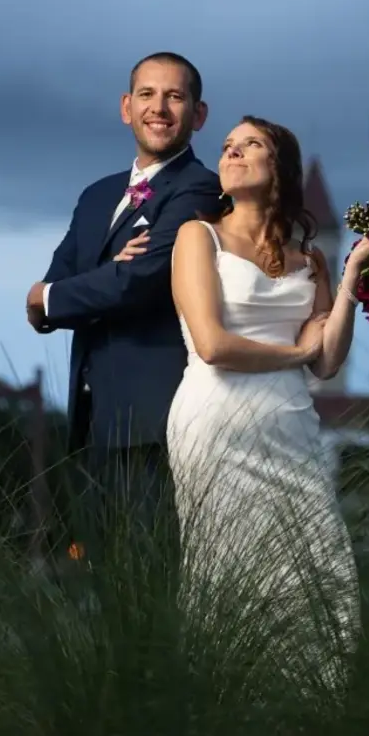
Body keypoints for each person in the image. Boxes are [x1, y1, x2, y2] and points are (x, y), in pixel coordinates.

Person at [114, 115, 369, 676]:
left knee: (322, 566)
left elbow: (327, 359)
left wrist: (351, 277)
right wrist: (293, 355)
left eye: (251, 145)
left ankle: (312, 713)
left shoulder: (310, 259)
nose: (233, 152)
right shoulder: (199, 237)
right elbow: (213, 343)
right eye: (227, 146)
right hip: (214, 421)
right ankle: (227, 706)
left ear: (279, 168)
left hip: (289, 426)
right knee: (227, 567)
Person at [25, 52, 222, 520]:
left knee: (156, 579)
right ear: (126, 107)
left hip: (156, 422)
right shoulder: (96, 196)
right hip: (92, 423)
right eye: (147, 95)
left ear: (198, 114)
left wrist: (48, 299)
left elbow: (139, 281)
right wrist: (72, 289)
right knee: (104, 580)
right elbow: (58, 287)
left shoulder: (201, 189)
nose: (159, 107)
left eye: (175, 96)